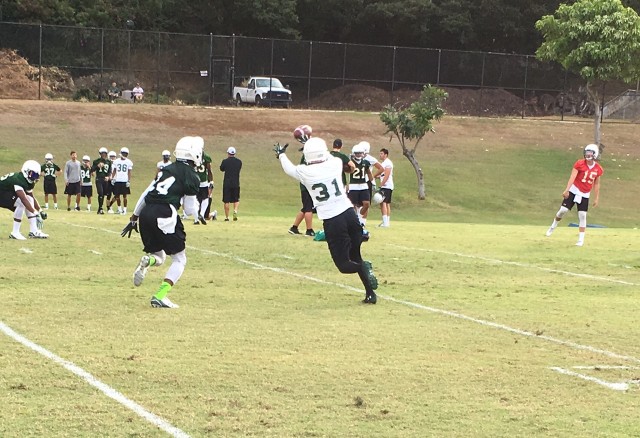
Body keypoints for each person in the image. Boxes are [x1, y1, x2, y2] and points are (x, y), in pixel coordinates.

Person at [275, 137, 379, 304]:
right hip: (350, 214)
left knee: (344, 265)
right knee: (355, 254)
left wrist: (281, 154)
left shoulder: (304, 171)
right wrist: (309, 143)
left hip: (333, 219)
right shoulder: (335, 163)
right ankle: (370, 294)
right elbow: (329, 156)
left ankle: (364, 267)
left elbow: (289, 169)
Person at [122, 136, 203, 308]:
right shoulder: (192, 176)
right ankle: (160, 295)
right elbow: (189, 210)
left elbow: (146, 193)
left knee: (159, 257)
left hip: (146, 213)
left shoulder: (166, 169)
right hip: (165, 213)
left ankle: (147, 261)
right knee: (180, 259)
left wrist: (134, 217)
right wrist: (200, 214)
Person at [545, 143, 604, 246]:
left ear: (595, 154)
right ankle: (552, 227)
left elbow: (597, 183)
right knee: (562, 211)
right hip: (574, 190)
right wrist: (567, 190)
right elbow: (572, 177)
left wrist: (596, 197)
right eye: (587, 152)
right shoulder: (579, 163)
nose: (588, 155)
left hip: (585, 193)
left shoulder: (598, 169)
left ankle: (581, 240)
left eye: (590, 153)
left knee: (582, 215)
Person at [1, 160, 49, 239]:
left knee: (29, 199)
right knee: (21, 203)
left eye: (36, 175)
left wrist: (40, 211)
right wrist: (35, 213)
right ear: (27, 171)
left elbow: (31, 197)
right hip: (2, 194)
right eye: (33, 174)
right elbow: (23, 199)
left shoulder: (27, 180)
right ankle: (15, 232)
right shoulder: (18, 179)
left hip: (6, 193)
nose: (35, 177)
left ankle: (34, 231)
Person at [107, 147, 133, 215]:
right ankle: (119, 208)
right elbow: (114, 171)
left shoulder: (129, 162)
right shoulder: (116, 161)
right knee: (117, 196)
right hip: (118, 180)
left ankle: (124, 209)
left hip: (124, 180)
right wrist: (112, 178)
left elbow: (129, 172)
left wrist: (128, 180)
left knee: (125, 196)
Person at [220, 146, 242, 222]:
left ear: (228, 153)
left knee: (226, 200)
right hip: (236, 183)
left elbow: (221, 169)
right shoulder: (239, 162)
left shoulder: (225, 161)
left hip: (227, 183)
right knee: (236, 199)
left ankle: (227, 217)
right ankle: (235, 210)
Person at [193, 146, 213, 224]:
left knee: (195, 200)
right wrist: (211, 181)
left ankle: (196, 219)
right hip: (203, 182)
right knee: (205, 199)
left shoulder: (193, 156)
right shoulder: (206, 157)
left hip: (195, 181)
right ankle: (201, 214)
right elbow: (209, 170)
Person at [375, 148, 394, 228]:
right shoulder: (385, 163)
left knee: (383, 203)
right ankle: (386, 222)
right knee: (386, 203)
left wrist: (382, 184)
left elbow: (387, 175)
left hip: (386, 186)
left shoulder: (388, 163)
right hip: (387, 186)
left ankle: (385, 223)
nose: (380, 155)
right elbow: (383, 175)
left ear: (386, 155)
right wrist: (378, 177)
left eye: (382, 153)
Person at [92, 147, 112, 214]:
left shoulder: (108, 162)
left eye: (105, 153)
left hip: (105, 180)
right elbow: (92, 170)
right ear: (100, 154)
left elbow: (110, 171)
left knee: (104, 194)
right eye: (102, 153)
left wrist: (108, 177)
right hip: (99, 179)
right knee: (100, 193)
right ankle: (100, 208)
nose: (103, 155)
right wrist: (97, 166)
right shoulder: (96, 161)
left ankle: (100, 208)